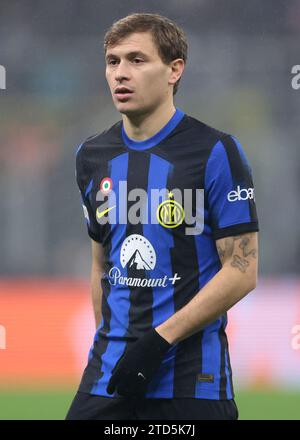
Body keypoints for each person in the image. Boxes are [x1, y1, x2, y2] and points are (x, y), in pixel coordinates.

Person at [66, 12, 259, 420]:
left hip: (193, 383)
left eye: (137, 60)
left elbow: (242, 269)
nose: (121, 73)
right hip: (109, 378)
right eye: (113, 61)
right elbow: (102, 262)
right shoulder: (91, 156)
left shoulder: (215, 152)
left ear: (174, 70)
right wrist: (115, 349)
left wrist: (158, 341)